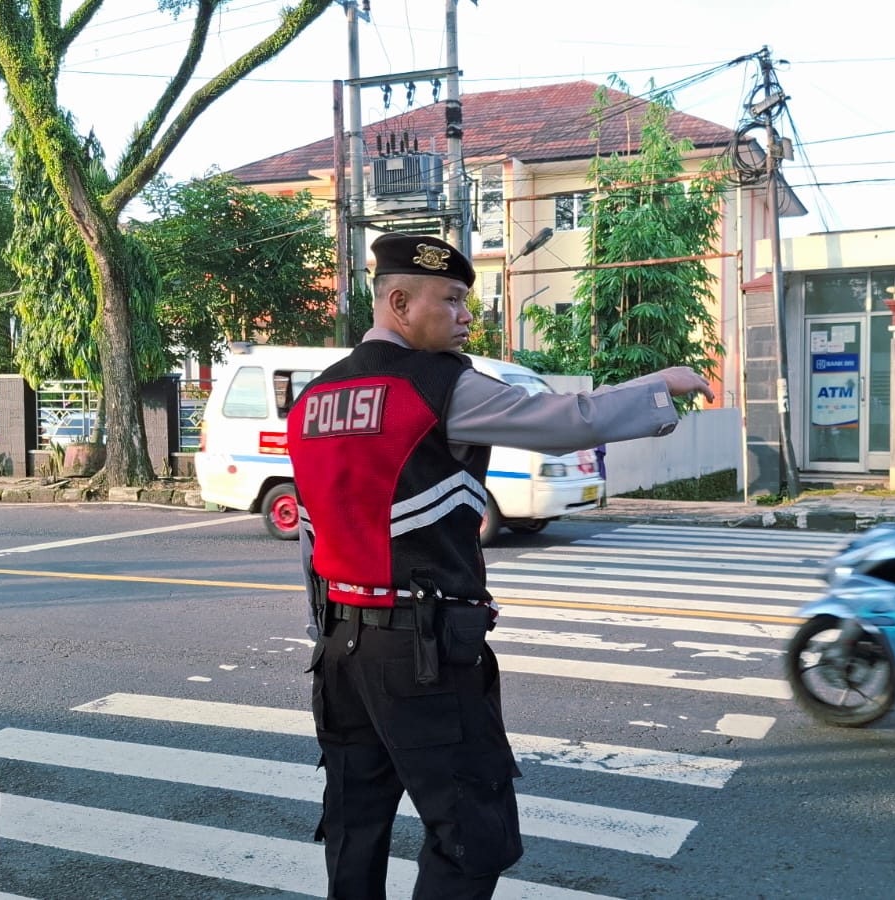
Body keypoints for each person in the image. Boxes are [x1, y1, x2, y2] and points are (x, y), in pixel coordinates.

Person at [288, 232, 713, 899]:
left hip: (340, 651)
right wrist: (658, 386)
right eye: (453, 300)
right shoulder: (438, 386)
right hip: (422, 656)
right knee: (470, 837)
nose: (468, 316)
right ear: (400, 303)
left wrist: (328, 629)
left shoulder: (314, 398)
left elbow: (313, 538)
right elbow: (566, 420)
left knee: (354, 824)